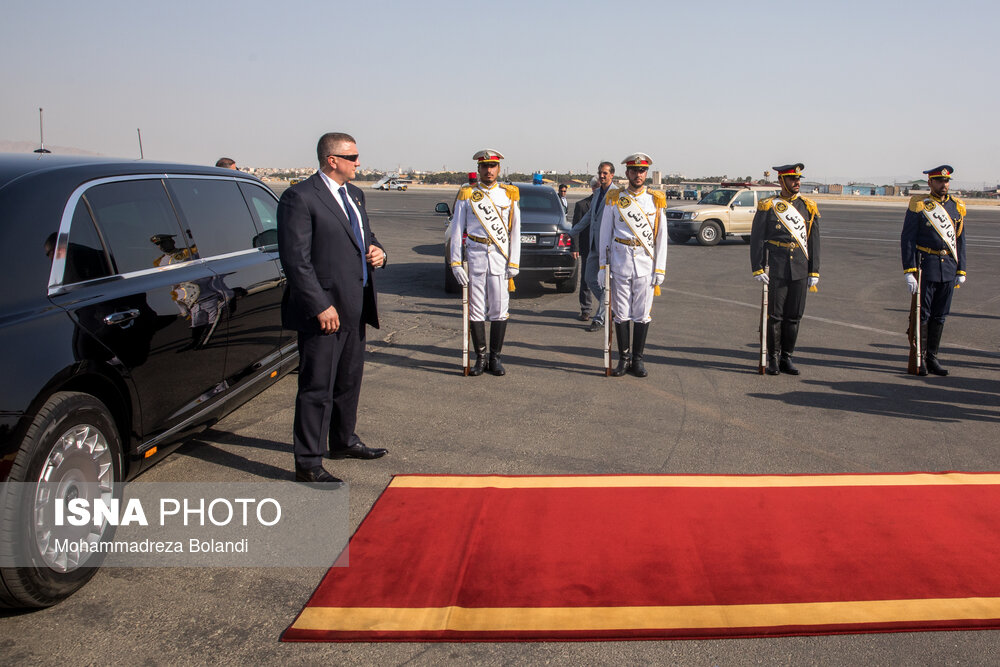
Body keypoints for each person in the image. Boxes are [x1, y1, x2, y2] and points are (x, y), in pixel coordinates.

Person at [277, 132, 388, 485]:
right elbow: (296, 261)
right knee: (317, 388)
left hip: (356, 306)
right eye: (352, 157)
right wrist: (319, 305)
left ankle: (342, 441)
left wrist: (379, 252)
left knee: (348, 381)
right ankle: (308, 462)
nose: (358, 162)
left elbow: (365, 237)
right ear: (332, 160)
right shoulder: (300, 197)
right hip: (325, 312)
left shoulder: (354, 195)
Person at [449, 150, 521, 376]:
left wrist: (514, 262)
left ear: (498, 169)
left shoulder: (509, 194)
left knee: (499, 309)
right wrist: (455, 262)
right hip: (476, 256)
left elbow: (515, 231)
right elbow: (456, 229)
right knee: (476, 309)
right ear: (478, 169)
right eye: (485, 166)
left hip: (499, 258)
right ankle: (480, 358)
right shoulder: (468, 194)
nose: (489, 170)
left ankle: (495, 358)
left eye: (492, 166)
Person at [597, 153, 667, 377]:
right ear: (627, 173)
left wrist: (660, 268)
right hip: (620, 262)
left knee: (642, 314)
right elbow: (605, 235)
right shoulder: (615, 199)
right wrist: (602, 266)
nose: (638, 174)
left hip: (645, 264)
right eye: (634, 170)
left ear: (646, 173)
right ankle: (624, 359)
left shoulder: (655, 200)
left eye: (642, 170)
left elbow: (661, 238)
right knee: (621, 313)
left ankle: (638, 360)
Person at [749, 163, 821, 376]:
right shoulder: (768, 205)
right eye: (792, 179)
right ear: (781, 181)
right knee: (775, 316)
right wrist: (757, 267)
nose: (796, 182)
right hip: (777, 267)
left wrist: (814, 271)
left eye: (798, 179)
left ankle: (786, 357)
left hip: (800, 268)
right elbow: (757, 239)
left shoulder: (808, 206)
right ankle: (772, 357)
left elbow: (813, 241)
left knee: (794, 316)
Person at [900, 165, 967, 376]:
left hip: (948, 267)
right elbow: (908, 239)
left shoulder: (957, 206)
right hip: (926, 265)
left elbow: (960, 240)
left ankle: (933, 357)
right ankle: (919, 357)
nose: (944, 184)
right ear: (930, 183)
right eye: (939, 181)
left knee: (940, 316)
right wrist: (909, 270)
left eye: (946, 181)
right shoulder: (920, 205)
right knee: (923, 315)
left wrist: (961, 269)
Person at [570, 161, 616, 332]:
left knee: (607, 284)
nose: (602, 176)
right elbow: (589, 216)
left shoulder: (617, 194)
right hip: (594, 245)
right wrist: (572, 232)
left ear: (612, 175)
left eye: (605, 173)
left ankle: (600, 318)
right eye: (600, 173)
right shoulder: (597, 194)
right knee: (589, 279)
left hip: (609, 247)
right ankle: (610, 305)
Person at [570, 177, 599, 321]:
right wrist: (574, 247)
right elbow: (576, 227)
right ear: (593, 188)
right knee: (586, 280)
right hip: (588, 248)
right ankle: (586, 309)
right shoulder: (582, 205)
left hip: (605, 249)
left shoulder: (610, 203)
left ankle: (606, 309)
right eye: (597, 186)